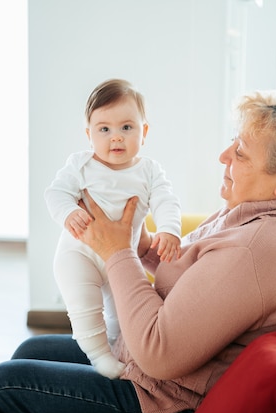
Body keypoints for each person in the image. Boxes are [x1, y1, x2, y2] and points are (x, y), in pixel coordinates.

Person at [0, 91, 276, 413]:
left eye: (240, 153)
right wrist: (144, 247)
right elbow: (199, 276)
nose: (224, 156)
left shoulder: (253, 249)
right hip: (144, 372)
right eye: (233, 143)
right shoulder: (263, 214)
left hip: (159, 400)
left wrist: (117, 251)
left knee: (2, 387)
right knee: (31, 350)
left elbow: (158, 352)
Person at [44, 78, 182, 379]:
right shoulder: (81, 165)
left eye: (127, 128)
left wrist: (169, 229)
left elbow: (166, 201)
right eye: (104, 129)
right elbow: (55, 193)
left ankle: (119, 351)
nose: (115, 138)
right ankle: (99, 356)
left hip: (121, 261)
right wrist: (67, 211)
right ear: (89, 135)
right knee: (85, 308)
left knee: (125, 314)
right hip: (77, 254)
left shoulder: (149, 171)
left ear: (144, 132)